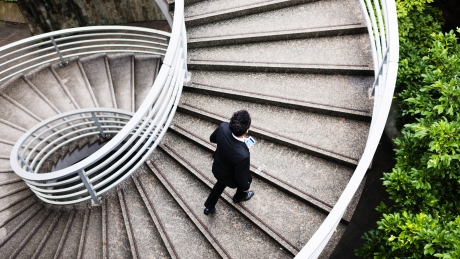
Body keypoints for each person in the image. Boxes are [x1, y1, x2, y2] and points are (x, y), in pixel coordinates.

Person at [204, 110, 254, 215]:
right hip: (230, 176)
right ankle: (238, 197)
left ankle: (209, 207)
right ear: (247, 130)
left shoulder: (223, 127)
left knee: (219, 185)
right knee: (247, 178)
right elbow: (241, 177)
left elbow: (212, 139)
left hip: (218, 166)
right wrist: (246, 187)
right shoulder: (243, 155)